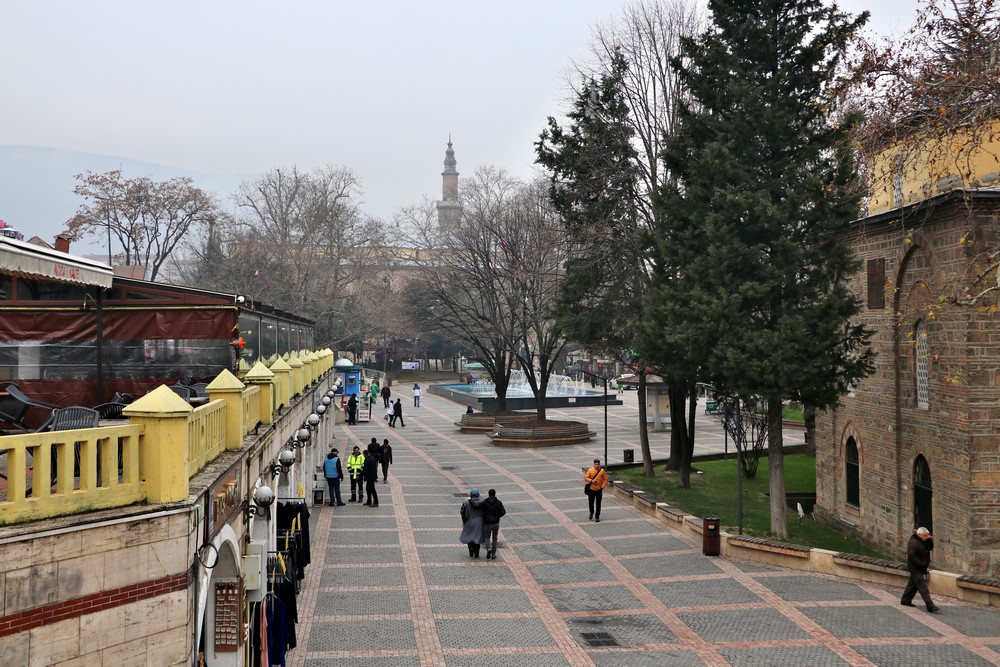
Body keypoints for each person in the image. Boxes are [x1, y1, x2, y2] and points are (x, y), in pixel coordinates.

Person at [901, 527, 940, 612]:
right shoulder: (913, 542)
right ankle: (930, 606)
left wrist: (929, 540)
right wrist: (921, 564)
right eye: (925, 536)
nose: (926, 537)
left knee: (912, 585)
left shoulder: (924, 541)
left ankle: (905, 600)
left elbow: (930, 548)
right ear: (919, 535)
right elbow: (911, 556)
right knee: (922, 586)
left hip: (921, 567)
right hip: (915, 568)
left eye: (927, 535)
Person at [481, 489, 506, 560]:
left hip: (487, 523)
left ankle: (488, 548)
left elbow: (481, 511)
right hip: (496, 523)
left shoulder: (484, 502)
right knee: (495, 538)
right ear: (495, 494)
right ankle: (493, 554)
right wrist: (498, 516)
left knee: (487, 537)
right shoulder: (499, 502)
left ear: (488, 494)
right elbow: (503, 512)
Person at [459, 488, 485, 557]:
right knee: (477, 537)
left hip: (469, 521)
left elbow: (462, 512)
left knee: (469, 536)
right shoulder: (482, 502)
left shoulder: (466, 503)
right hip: (479, 521)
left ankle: (470, 549)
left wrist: (464, 521)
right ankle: (476, 552)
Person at [585, 458, 608, 522]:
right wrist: (591, 480)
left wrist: (602, 487)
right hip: (591, 489)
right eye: (595, 464)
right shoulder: (590, 470)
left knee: (598, 503)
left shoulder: (602, 471)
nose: (596, 465)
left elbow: (606, 479)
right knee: (591, 502)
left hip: (599, 489)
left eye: (598, 464)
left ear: (599, 464)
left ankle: (597, 516)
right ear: (593, 464)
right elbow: (586, 478)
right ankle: (591, 512)